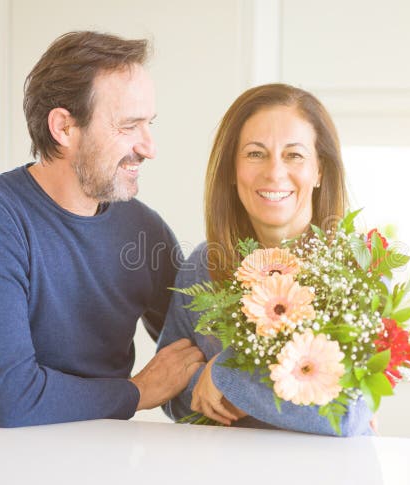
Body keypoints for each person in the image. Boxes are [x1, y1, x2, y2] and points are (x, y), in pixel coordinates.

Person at [0, 31, 205, 427]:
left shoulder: (142, 229)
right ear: (63, 128)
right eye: (129, 126)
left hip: (102, 448)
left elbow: (199, 346)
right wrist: (140, 391)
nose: (149, 147)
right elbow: (14, 399)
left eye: (149, 124)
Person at [157, 83, 373, 436]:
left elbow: (347, 415)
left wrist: (225, 375)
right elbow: (173, 390)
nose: (274, 172)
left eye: (294, 155)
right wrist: (207, 383)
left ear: (319, 170)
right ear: (231, 169)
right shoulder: (203, 264)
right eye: (255, 154)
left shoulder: (357, 266)